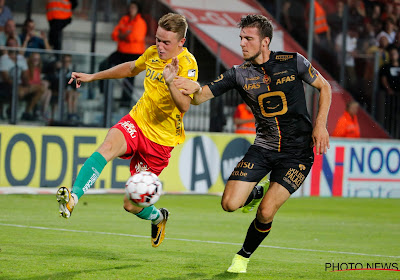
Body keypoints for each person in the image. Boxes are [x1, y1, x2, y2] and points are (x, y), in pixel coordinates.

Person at [173, 14, 331, 273]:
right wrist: (189, 85)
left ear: (265, 41)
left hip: (298, 154)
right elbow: (200, 98)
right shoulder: (239, 74)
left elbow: (325, 87)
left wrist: (320, 124)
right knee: (229, 205)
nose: (242, 44)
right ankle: (257, 192)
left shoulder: (293, 62)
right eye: (241, 38)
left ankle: (242, 256)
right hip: (264, 147)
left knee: (266, 212)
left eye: (249, 38)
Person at [56, 13, 198, 248]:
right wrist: (93, 77)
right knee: (108, 146)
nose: (159, 46)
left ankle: (159, 217)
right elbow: (132, 68)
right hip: (137, 121)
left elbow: (184, 106)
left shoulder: (187, 65)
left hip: (161, 141)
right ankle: (73, 197)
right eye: (157, 39)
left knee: (131, 205)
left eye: (166, 42)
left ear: (181, 42)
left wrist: (171, 81)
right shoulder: (152, 54)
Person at [109, 0, 147, 106]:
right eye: (130, 7)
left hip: (134, 53)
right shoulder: (124, 19)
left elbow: (135, 37)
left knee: (129, 77)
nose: (131, 10)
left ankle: (126, 100)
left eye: (134, 8)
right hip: (121, 51)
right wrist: (125, 35)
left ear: (138, 9)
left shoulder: (140, 22)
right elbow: (114, 34)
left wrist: (122, 35)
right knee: (107, 64)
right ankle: (106, 91)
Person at [0, 37, 44, 120]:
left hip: (21, 84)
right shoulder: (4, 59)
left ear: (17, 45)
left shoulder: (21, 58)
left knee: (40, 88)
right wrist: (19, 86)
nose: (12, 46)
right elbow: (6, 78)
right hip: (7, 85)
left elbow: (25, 74)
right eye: (10, 44)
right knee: (19, 91)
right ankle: (10, 110)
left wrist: (27, 85)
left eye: (14, 44)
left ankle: (27, 112)